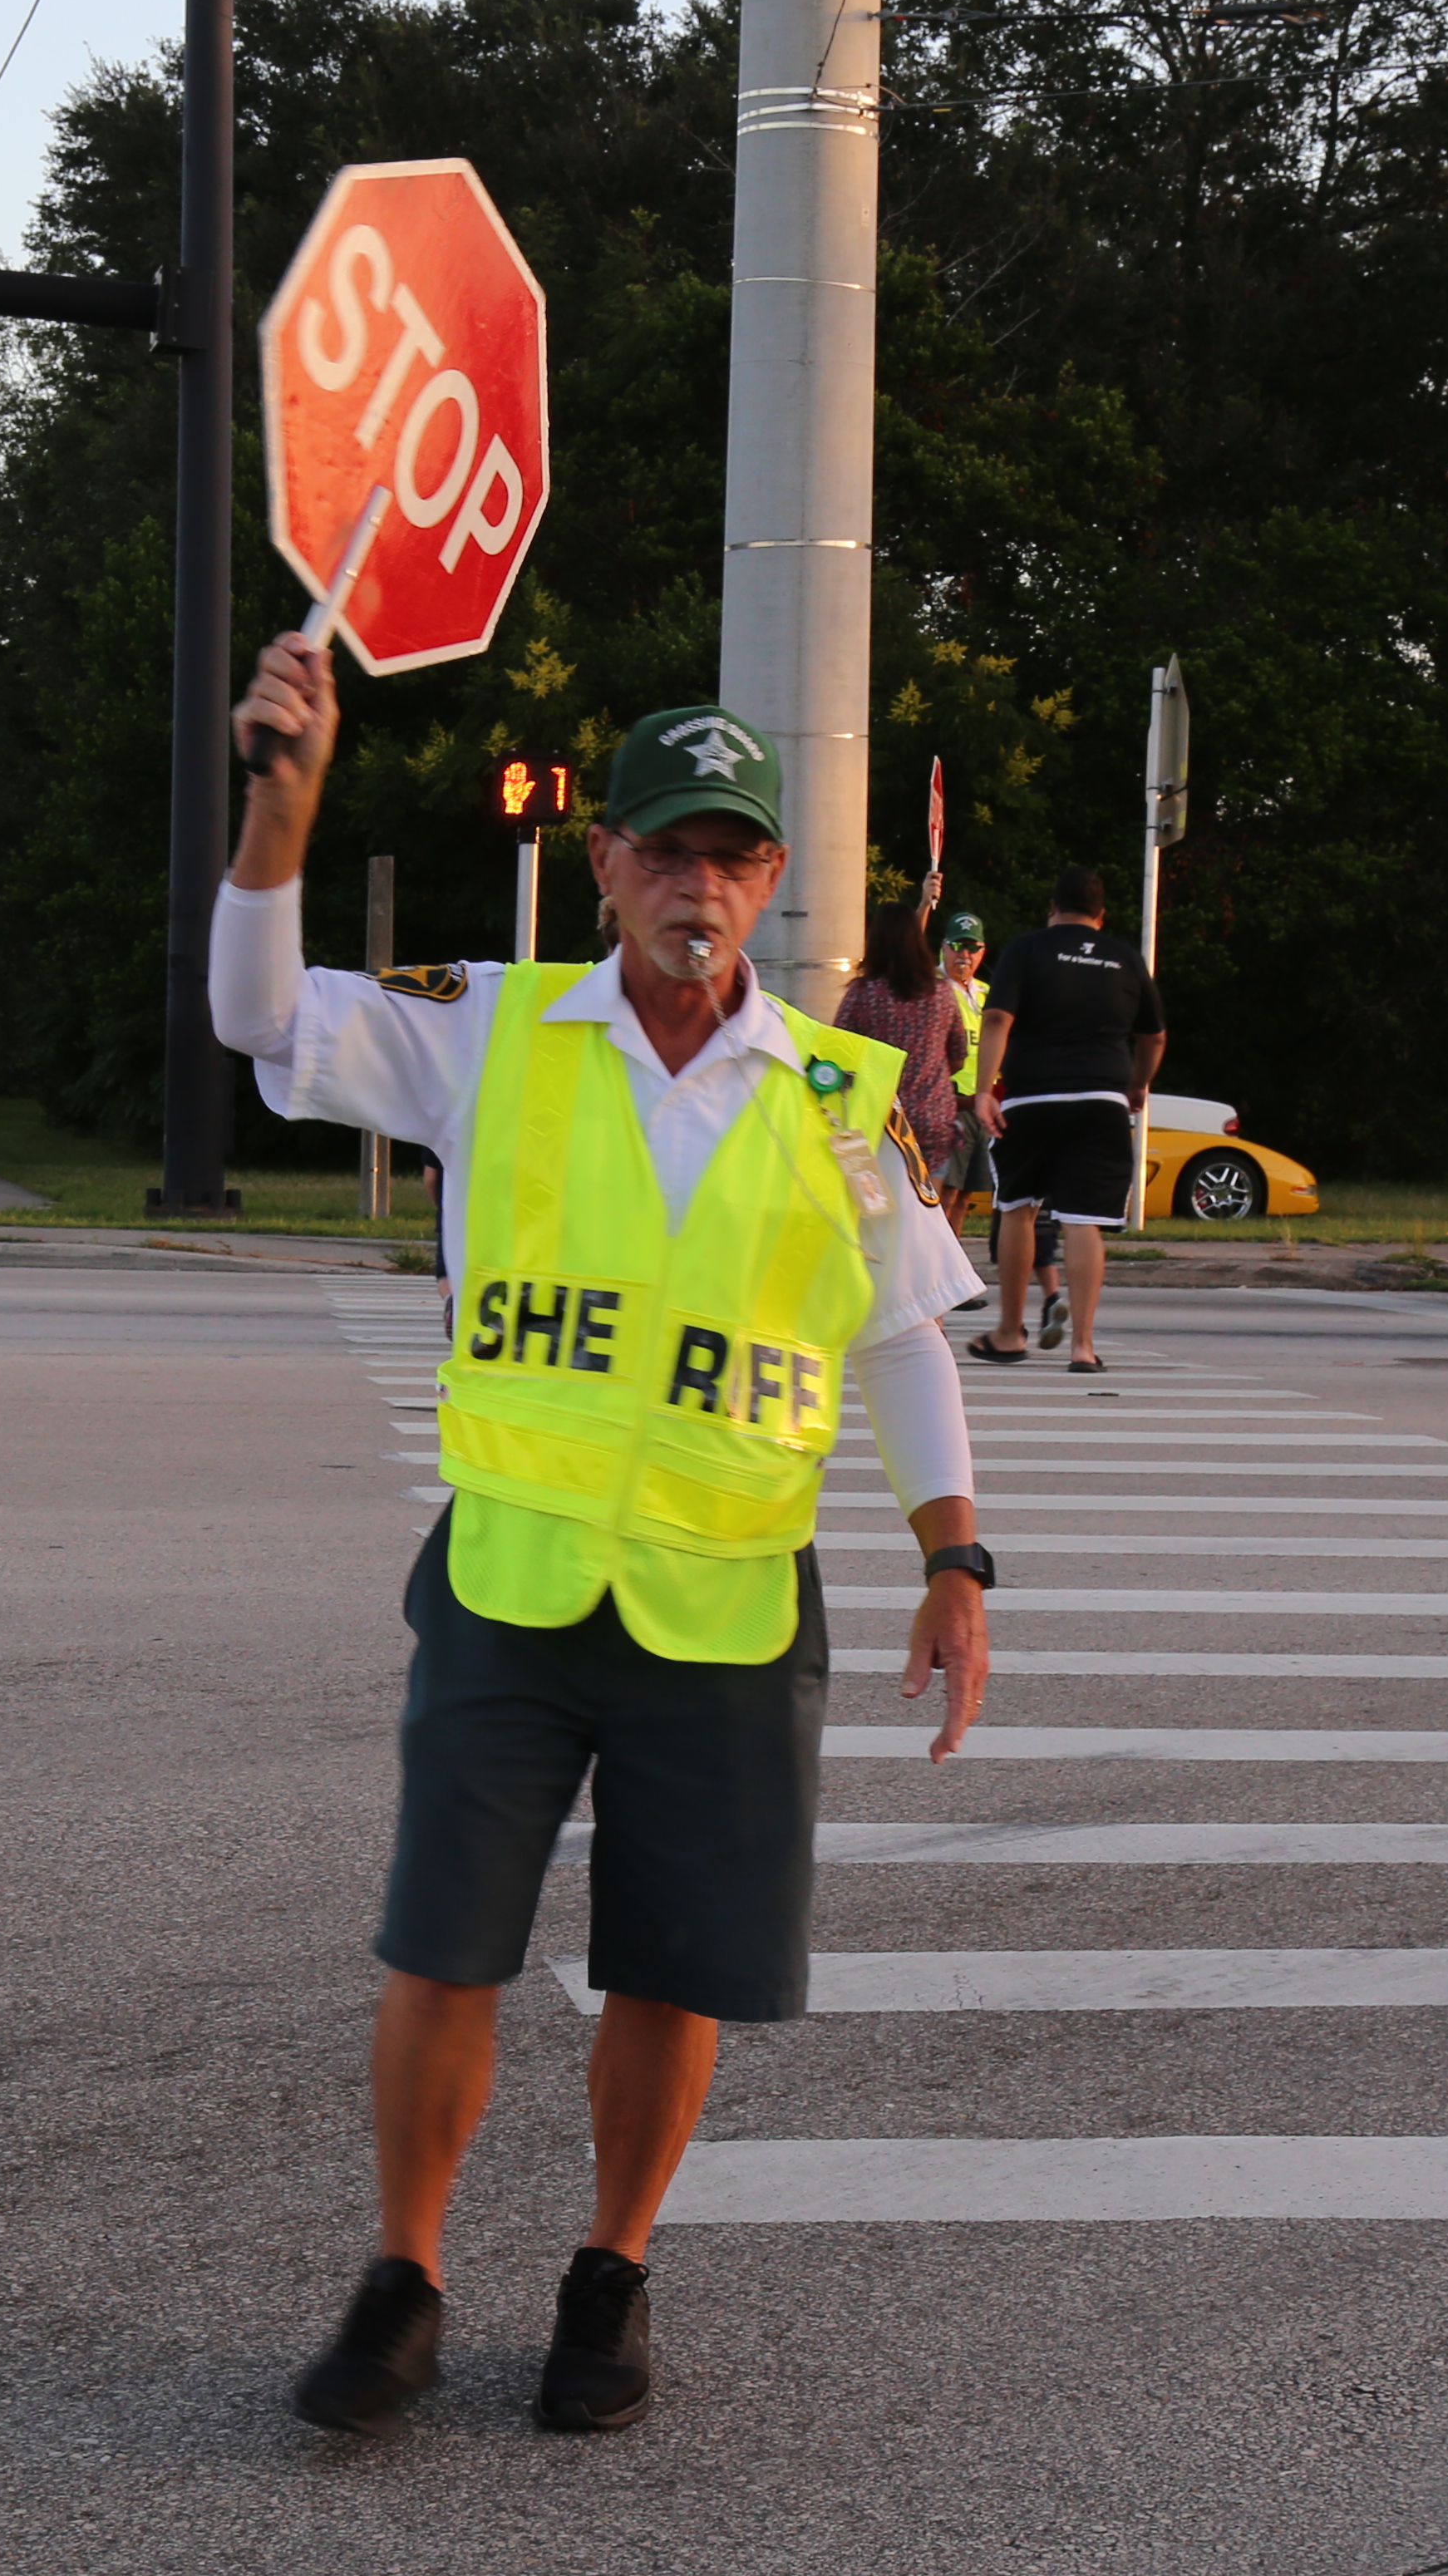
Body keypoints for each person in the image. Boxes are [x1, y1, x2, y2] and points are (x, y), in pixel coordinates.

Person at [210, 634, 998, 2441]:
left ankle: (610, 2272)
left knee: (673, 1968)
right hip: (514, 1581)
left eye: (729, 853)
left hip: (723, 1604)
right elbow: (261, 1021)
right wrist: (284, 809)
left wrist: (954, 1558)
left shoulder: (839, 1102)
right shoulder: (495, 1032)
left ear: (773, 881)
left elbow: (898, 1339)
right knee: (443, 1953)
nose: (695, 882)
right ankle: (404, 2274)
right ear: (606, 865)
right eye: (663, 847)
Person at [973, 869, 1165, 1372]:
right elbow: (1154, 1037)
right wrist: (1138, 1085)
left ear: (1051, 908)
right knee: (1084, 1221)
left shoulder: (1026, 949)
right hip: (1102, 1097)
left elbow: (997, 1019)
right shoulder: (1125, 957)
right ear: (1101, 918)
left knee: (1018, 1208)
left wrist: (983, 1091)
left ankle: (1011, 1333)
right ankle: (1083, 1347)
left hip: (1031, 1096)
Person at [825, 882, 966, 1198]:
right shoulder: (942, 993)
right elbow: (958, 1055)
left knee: (874, 1223)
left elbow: (836, 1055)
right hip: (933, 1122)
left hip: (876, 1122)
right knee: (928, 1221)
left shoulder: (862, 994)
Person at [938, 912, 993, 1210]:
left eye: (972, 948)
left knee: (966, 1193)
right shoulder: (934, 986)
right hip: (952, 1100)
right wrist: (925, 902)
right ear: (944, 947)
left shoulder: (986, 993)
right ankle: (937, 1255)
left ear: (982, 951)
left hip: (982, 1101)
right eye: (958, 946)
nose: (965, 955)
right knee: (947, 1187)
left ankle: (955, 1254)